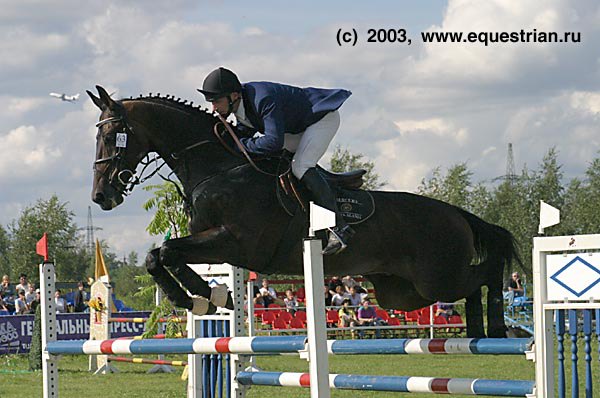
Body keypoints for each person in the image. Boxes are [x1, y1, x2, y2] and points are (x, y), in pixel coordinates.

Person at [198, 67, 354, 255]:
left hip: (320, 120)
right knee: (282, 161)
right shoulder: (241, 105)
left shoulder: (262, 99)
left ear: (233, 96)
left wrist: (242, 145)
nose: (213, 108)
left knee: (301, 165)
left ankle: (340, 228)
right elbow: (244, 136)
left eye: (216, 101)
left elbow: (272, 142)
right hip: (298, 128)